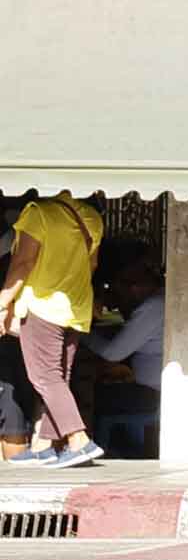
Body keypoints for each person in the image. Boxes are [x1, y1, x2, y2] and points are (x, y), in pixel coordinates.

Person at [2, 189, 107, 467]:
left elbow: (23, 262)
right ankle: (43, 444)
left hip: (43, 306)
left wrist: (2, 302)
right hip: (76, 307)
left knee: (45, 377)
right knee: (58, 377)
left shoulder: (38, 213)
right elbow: (92, 264)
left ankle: (79, 440)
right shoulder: (92, 217)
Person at [79, 242, 169, 459]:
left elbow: (113, 353)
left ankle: (98, 448)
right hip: (150, 388)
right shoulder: (159, 301)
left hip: (152, 393)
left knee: (91, 395)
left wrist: (81, 332)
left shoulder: (152, 308)